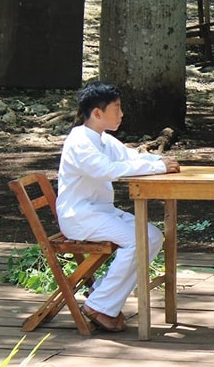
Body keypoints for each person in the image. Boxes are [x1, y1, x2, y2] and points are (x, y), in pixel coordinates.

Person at [56, 81, 180, 332]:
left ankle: (101, 294)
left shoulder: (103, 139)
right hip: (79, 216)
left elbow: (130, 157)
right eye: (117, 108)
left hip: (99, 212)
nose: (121, 114)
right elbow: (106, 170)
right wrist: (158, 166)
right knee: (140, 239)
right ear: (98, 113)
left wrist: (161, 160)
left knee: (153, 236)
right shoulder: (79, 140)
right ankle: (99, 305)